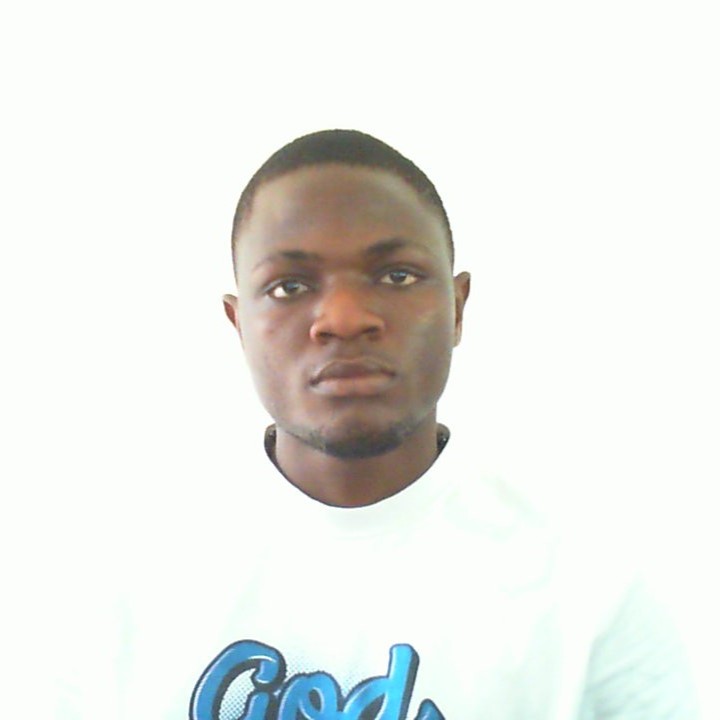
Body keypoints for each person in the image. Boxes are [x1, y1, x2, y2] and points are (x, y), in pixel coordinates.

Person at [55, 130, 698, 719]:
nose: (343, 317)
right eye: (289, 286)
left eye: (396, 275)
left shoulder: (590, 589)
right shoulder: (122, 586)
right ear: (238, 322)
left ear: (457, 307)